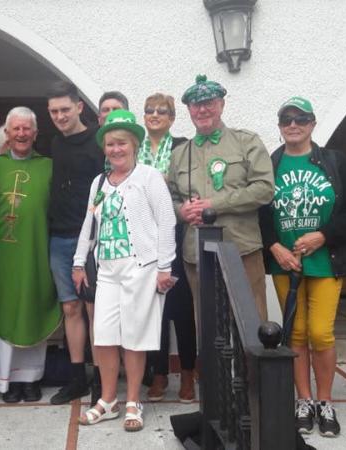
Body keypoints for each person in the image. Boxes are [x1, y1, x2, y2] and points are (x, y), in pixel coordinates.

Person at [260, 97, 346, 438]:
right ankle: (303, 400)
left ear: (313, 123)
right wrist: (274, 246)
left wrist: (322, 235)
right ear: (279, 126)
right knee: (296, 334)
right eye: (286, 119)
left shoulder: (333, 161)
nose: (293, 124)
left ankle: (325, 400)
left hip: (325, 260)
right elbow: (258, 212)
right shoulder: (270, 164)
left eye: (301, 119)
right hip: (285, 263)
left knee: (321, 332)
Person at [73, 109, 176, 432]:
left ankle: (132, 400)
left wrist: (164, 266)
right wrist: (79, 261)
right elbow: (89, 223)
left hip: (140, 267)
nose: (116, 149)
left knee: (134, 336)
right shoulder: (99, 181)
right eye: (110, 144)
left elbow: (166, 222)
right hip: (107, 269)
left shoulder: (148, 177)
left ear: (133, 144)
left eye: (122, 143)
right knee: (103, 335)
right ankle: (107, 400)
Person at [167, 74, 274, 323]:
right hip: (196, 254)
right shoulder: (180, 154)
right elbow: (169, 200)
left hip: (241, 250)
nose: (202, 109)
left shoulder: (246, 142)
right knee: (206, 327)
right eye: (196, 105)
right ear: (189, 110)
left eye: (209, 103)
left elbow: (265, 189)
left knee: (251, 323)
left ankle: (250, 365)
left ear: (222, 105)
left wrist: (215, 204)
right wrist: (180, 211)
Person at [0, 106, 61, 403]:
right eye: (17, 129)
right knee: (6, 313)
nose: (22, 134)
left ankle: (30, 380)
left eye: (27, 129)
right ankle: (6, 381)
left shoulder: (49, 166)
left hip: (38, 250)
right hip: (2, 255)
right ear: (7, 132)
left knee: (34, 309)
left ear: (35, 133)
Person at [46, 81, 105, 405]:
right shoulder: (53, 143)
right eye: (54, 111)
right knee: (69, 307)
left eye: (65, 109)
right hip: (59, 237)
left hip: (91, 241)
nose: (59, 116)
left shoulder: (98, 142)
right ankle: (76, 379)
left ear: (79, 107)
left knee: (94, 310)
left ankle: (100, 380)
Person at [138, 93, 197, 404]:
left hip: (176, 235)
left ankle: (188, 373)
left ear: (173, 118)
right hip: (144, 238)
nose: (155, 115)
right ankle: (159, 373)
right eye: (150, 111)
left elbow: (184, 187)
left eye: (163, 111)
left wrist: (156, 181)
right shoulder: (135, 147)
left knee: (182, 308)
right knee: (155, 310)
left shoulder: (183, 147)